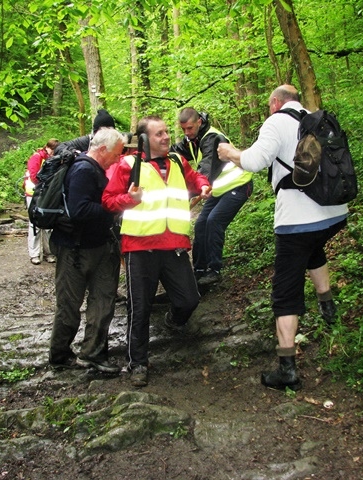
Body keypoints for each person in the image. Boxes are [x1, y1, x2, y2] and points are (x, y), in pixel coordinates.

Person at [217, 85, 348, 391]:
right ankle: (329, 310)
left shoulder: (276, 121)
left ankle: (287, 368)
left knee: (285, 290)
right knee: (314, 249)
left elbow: (253, 161)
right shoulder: (318, 119)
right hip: (333, 213)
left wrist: (230, 153)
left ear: (275, 103)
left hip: (298, 220)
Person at [102, 116, 211, 387]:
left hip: (174, 244)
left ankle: (173, 322)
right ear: (144, 140)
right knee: (139, 308)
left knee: (189, 300)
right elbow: (107, 200)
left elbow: (193, 177)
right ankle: (137, 363)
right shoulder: (127, 165)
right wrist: (130, 199)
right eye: (159, 134)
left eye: (166, 132)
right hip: (140, 248)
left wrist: (203, 184)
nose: (166, 137)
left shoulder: (177, 161)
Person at [48, 128, 125, 373]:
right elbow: (79, 211)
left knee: (102, 301)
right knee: (69, 306)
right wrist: (115, 207)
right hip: (75, 250)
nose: (118, 159)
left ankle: (92, 353)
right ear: (102, 150)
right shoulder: (83, 170)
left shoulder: (93, 169)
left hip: (97, 246)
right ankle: (60, 355)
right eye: (116, 154)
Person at [171, 108, 253, 286]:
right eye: (183, 129)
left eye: (190, 128)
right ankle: (199, 270)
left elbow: (205, 171)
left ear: (199, 122)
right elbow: (176, 152)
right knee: (201, 224)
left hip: (239, 186)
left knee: (214, 221)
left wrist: (183, 195)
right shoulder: (193, 139)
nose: (187, 133)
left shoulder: (213, 138)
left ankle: (214, 270)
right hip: (219, 190)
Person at [24, 138, 60, 265]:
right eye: (53, 151)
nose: (53, 153)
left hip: (46, 195)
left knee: (48, 225)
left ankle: (48, 253)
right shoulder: (36, 157)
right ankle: (34, 254)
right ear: (48, 148)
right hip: (33, 194)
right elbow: (34, 177)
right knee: (34, 225)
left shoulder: (54, 158)